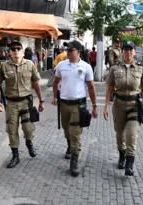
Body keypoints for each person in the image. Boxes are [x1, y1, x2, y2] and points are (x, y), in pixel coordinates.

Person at [104, 41, 143, 176]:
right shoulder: (115, 68)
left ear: (134, 52)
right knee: (120, 134)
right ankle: (122, 155)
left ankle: (129, 164)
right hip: (119, 105)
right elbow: (109, 88)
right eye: (126, 50)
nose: (128, 52)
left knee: (131, 135)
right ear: (122, 52)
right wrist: (106, 107)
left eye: (130, 50)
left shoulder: (140, 68)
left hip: (134, 106)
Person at [0, 40, 44, 169]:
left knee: (28, 128)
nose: (16, 51)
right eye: (13, 49)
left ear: (22, 52)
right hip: (11, 103)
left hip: (26, 102)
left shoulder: (30, 65)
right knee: (12, 130)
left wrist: (41, 101)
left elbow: (36, 84)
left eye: (18, 49)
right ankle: (15, 156)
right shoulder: (4, 66)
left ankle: (29, 143)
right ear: (10, 52)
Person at [52, 40, 98, 177]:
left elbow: (91, 87)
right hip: (64, 104)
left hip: (79, 106)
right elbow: (55, 82)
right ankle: (69, 145)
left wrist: (95, 106)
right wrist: (55, 96)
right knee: (67, 131)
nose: (68, 52)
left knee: (75, 132)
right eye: (68, 49)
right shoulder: (61, 65)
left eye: (71, 50)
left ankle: (74, 160)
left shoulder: (86, 67)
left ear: (78, 51)